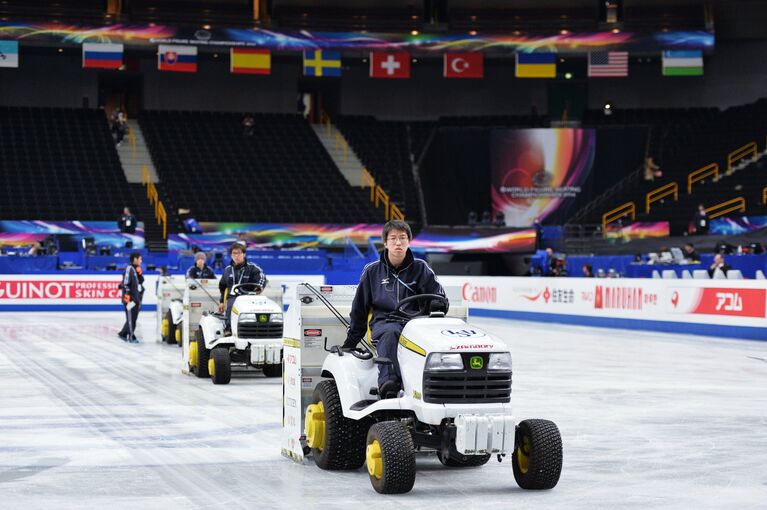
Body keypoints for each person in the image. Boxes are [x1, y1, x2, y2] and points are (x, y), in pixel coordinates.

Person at [342, 220, 446, 399]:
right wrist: (352, 340)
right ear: (385, 243)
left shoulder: (421, 268)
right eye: (393, 238)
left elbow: (439, 297)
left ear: (409, 241)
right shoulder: (372, 271)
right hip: (386, 322)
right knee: (391, 333)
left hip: (416, 323)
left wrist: (437, 304)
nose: (398, 242)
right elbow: (359, 308)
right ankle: (388, 384)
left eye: (402, 238)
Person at [218, 243, 267, 322]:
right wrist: (221, 302)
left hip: (249, 297)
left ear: (244, 254)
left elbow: (262, 278)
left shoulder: (252, 268)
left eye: (239, 253)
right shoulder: (227, 270)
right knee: (231, 305)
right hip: (232, 297)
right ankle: (228, 329)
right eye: (234, 253)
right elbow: (222, 287)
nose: (237, 256)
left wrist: (258, 289)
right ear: (231, 255)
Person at [118, 252, 144, 343]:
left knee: (133, 318)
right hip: (130, 299)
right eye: (140, 259)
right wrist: (127, 298)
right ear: (135, 259)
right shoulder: (129, 269)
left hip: (135, 298)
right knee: (131, 318)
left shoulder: (135, 269)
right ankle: (131, 336)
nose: (141, 261)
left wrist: (139, 273)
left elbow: (141, 282)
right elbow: (125, 284)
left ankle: (123, 333)